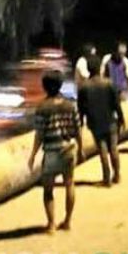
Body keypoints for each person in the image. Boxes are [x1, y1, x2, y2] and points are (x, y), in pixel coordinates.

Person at [28, 71, 84, 233]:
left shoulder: (42, 108)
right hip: (68, 149)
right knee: (69, 184)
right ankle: (67, 221)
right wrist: (80, 148)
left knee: (48, 190)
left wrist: (32, 155)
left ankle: (51, 224)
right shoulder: (70, 105)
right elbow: (78, 128)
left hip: (51, 152)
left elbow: (39, 134)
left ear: (45, 87)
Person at [78, 56, 124, 186]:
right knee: (114, 149)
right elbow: (116, 104)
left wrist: (81, 123)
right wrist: (121, 118)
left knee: (102, 151)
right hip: (110, 121)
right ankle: (117, 175)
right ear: (99, 68)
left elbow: (81, 109)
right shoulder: (108, 83)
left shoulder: (83, 87)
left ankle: (106, 178)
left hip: (95, 123)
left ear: (88, 69)